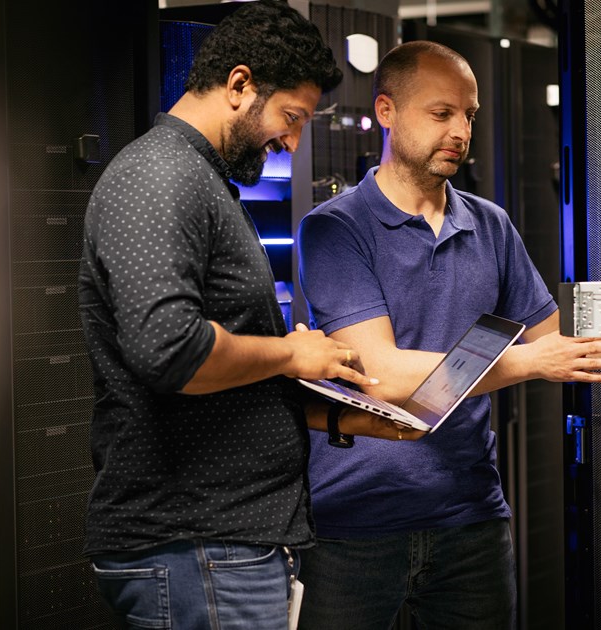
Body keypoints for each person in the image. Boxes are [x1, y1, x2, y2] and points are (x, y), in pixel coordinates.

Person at [78, 3, 422, 628]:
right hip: (194, 546)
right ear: (239, 86)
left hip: (220, 547)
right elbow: (171, 350)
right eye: (291, 117)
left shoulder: (201, 181)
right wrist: (294, 353)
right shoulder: (159, 177)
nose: (292, 142)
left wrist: (336, 414)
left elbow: (223, 378)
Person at [296, 41, 601, 629]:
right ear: (386, 111)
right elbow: (382, 374)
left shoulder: (490, 224)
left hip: (471, 519)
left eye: (469, 116)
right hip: (353, 524)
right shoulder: (333, 230)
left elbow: (559, 339)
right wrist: (532, 362)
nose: (461, 131)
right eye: (441, 114)